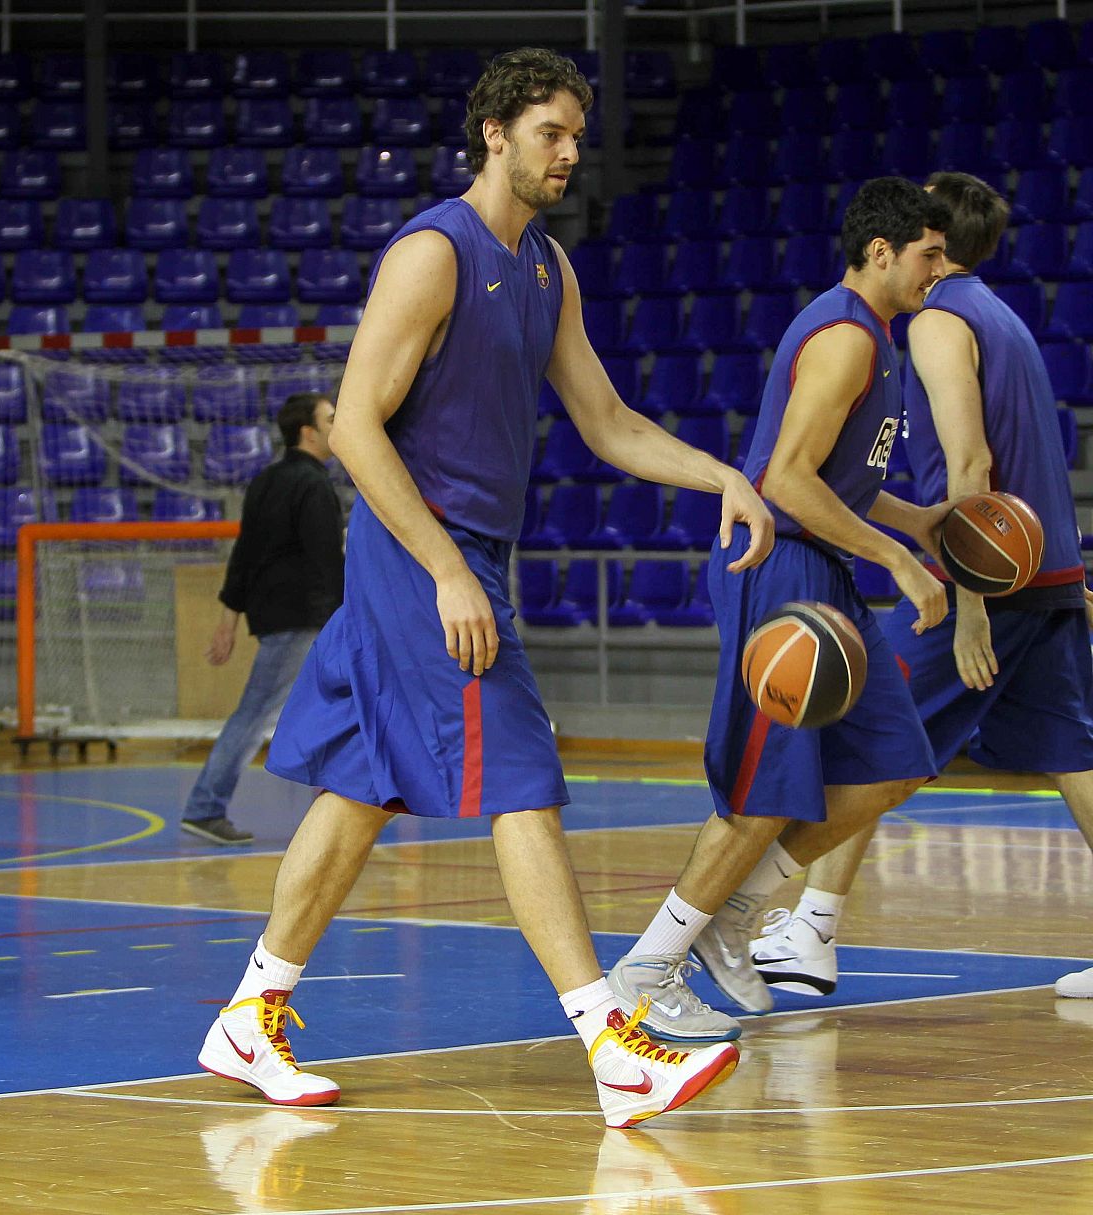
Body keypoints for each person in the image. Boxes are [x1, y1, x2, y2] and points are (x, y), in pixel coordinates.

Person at [194, 48, 775, 1129]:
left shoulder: (548, 267)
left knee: (362, 786)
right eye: (551, 132)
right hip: (423, 552)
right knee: (519, 773)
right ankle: (614, 1046)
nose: (569, 153)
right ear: (495, 134)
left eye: (577, 137)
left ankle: (250, 1011)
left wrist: (721, 476)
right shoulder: (433, 253)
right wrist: (447, 567)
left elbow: (605, 421)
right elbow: (355, 426)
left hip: (463, 554)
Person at [604, 177, 954, 1044]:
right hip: (779, 565)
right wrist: (900, 559)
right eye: (929, 254)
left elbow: (838, 482)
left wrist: (918, 521)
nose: (940, 271)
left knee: (894, 760)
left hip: (820, 563)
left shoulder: (878, 340)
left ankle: (738, 909)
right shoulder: (844, 339)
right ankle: (646, 968)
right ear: (882, 252)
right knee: (766, 787)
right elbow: (787, 481)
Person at [748, 172, 1093, 1003]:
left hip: (988, 583)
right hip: (1044, 570)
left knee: (870, 728)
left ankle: (799, 921)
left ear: (932, 241)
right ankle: (811, 924)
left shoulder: (940, 320)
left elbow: (972, 464)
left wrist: (968, 601)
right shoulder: (1003, 315)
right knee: (1077, 756)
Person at [181, 391, 344, 846]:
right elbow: (325, 562)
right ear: (308, 432)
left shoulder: (265, 481)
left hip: (278, 616)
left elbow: (244, 556)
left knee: (337, 709)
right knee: (255, 714)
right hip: (306, 618)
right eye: (331, 418)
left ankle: (347, 806)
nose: (339, 424)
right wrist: (343, 620)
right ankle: (204, 807)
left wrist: (228, 620)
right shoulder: (313, 486)